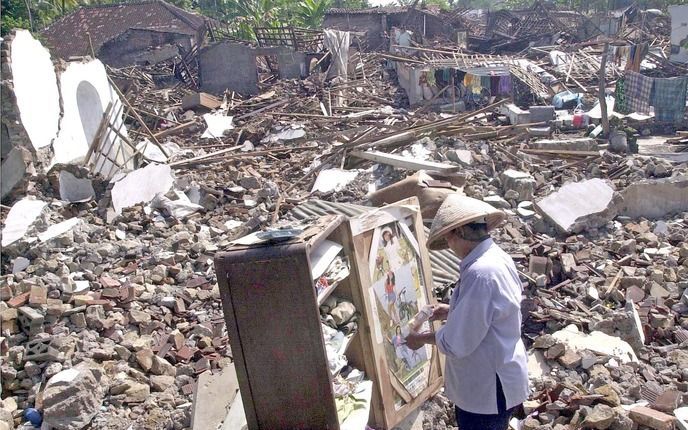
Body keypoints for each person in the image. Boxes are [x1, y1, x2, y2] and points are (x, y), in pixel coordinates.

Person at [405, 194, 529, 430]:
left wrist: (420, 339)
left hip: (487, 390)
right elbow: (492, 313)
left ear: (460, 232)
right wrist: (452, 311)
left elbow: (458, 342)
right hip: (500, 378)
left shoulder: (480, 273)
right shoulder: (496, 258)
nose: (449, 247)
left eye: (448, 239)